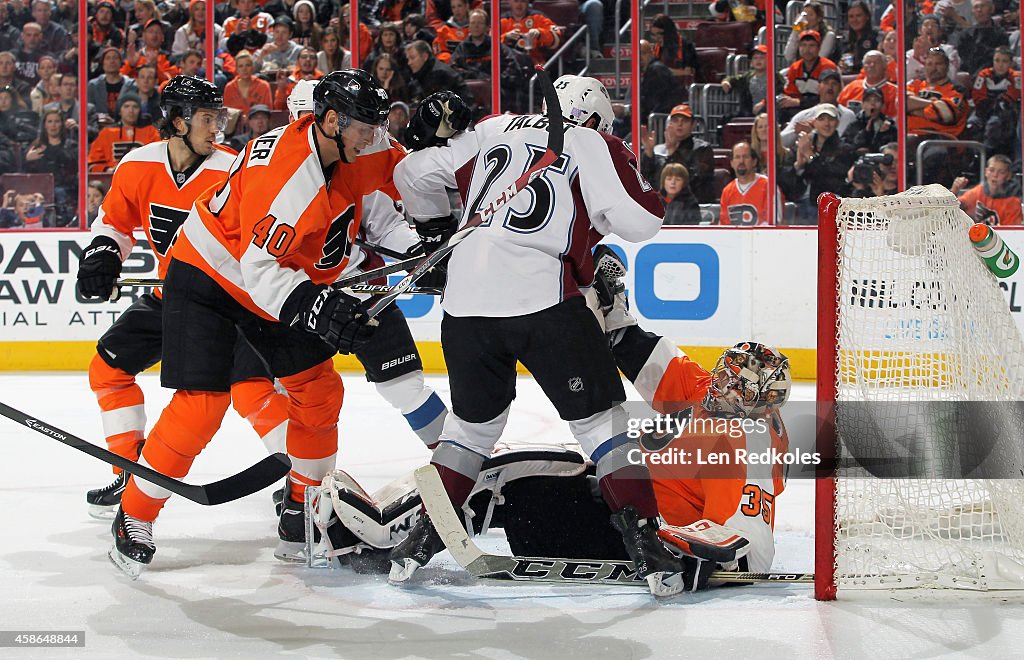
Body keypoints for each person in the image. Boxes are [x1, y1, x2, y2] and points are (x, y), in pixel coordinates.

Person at [389, 76, 701, 597]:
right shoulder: (591, 141)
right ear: (594, 116)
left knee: (469, 430)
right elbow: (645, 219)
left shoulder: (492, 127)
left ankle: (424, 534)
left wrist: (439, 230)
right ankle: (647, 548)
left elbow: (410, 172)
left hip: (464, 304)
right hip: (545, 299)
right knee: (603, 426)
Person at [105, 70, 403, 576]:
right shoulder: (289, 178)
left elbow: (408, 170)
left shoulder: (356, 144)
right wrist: (320, 308)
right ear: (330, 120)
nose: (374, 136)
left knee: (319, 391)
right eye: (364, 126)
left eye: (376, 125)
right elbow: (259, 272)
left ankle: (304, 511)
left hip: (270, 275)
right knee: (201, 406)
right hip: (209, 277)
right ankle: (134, 513)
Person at [75, 76, 289, 531]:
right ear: (178, 121)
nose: (218, 127)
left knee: (250, 390)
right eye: (208, 118)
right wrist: (103, 252)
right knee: (108, 370)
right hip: (170, 295)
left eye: (220, 117)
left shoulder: (233, 168)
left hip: (228, 301)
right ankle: (130, 471)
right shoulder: (137, 166)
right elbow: (114, 224)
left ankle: (306, 482)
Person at [787, 103, 854, 222]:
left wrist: (810, 156)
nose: (826, 124)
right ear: (814, 122)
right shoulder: (803, 143)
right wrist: (798, 165)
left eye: (831, 119)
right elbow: (787, 179)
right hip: (799, 203)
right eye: (822, 119)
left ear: (837, 123)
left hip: (826, 207)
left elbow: (831, 177)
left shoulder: (844, 148)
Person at [640, 103, 714, 203]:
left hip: (692, 206)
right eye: (675, 120)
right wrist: (648, 153)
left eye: (685, 120)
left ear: (693, 125)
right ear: (669, 124)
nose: (680, 124)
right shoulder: (658, 150)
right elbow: (649, 181)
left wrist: (672, 152)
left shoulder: (703, 149)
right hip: (663, 205)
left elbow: (693, 181)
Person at [22, 107, 77, 226]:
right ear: (45, 125)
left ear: (62, 124)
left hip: (65, 189)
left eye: (57, 121)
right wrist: (27, 160)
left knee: (60, 194)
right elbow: (26, 173)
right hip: (40, 190)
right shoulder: (37, 147)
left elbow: (74, 168)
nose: (53, 125)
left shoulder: (70, 145)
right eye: (50, 121)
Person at [781, 69, 855, 148]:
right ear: (818, 87)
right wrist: (796, 131)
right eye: (826, 83)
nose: (830, 87)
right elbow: (780, 141)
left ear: (840, 89)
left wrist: (812, 132)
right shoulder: (804, 115)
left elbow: (843, 143)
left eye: (834, 84)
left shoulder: (848, 115)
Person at [87, 95, 162, 172]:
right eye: (126, 106)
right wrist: (107, 170)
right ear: (119, 111)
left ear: (140, 111)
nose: (131, 110)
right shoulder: (106, 133)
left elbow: (159, 158)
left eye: (135, 107)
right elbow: (93, 163)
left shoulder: (150, 132)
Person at [907, 47, 968, 138]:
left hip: (940, 138)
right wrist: (934, 104)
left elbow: (946, 114)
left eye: (938, 64)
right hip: (908, 135)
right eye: (930, 64)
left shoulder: (957, 89)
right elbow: (902, 103)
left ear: (947, 66)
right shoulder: (915, 84)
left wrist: (913, 109)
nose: (933, 68)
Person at [719, 141, 780, 226]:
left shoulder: (769, 186)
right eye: (737, 157)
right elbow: (724, 226)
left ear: (754, 162)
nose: (741, 161)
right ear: (732, 163)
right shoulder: (727, 191)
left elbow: (773, 224)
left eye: (745, 157)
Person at [951, 154, 1022, 225]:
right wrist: (954, 191)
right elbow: (951, 210)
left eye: (1001, 172)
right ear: (986, 172)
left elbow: (1012, 232)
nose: (995, 175)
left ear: (1008, 176)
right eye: (991, 170)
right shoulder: (976, 192)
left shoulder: (1013, 202)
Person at [782, 30, 839, 114]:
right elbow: (790, 93)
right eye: (803, 45)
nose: (807, 50)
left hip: (823, 108)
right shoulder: (795, 67)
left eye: (811, 45)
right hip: (798, 108)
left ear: (818, 48)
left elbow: (829, 96)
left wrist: (799, 102)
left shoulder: (828, 66)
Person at [720, 44, 782, 118]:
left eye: (762, 58)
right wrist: (726, 82)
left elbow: (781, 94)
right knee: (725, 119)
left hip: (771, 112)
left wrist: (764, 103)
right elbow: (732, 79)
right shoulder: (748, 76)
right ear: (751, 62)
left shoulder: (776, 77)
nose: (758, 60)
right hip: (748, 113)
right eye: (755, 58)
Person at [837, 50, 898, 117]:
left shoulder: (895, 92)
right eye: (868, 62)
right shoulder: (851, 87)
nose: (872, 65)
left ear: (885, 66)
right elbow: (839, 111)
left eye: (876, 62)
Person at [841, 86, 897, 155]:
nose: (872, 104)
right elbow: (845, 147)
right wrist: (865, 132)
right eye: (868, 100)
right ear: (863, 105)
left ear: (883, 106)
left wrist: (881, 134)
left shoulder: (890, 128)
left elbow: (893, 150)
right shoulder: (854, 125)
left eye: (877, 100)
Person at [223, 50, 273, 116]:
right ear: (237, 69)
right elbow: (227, 114)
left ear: (252, 67)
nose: (244, 69)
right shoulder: (229, 87)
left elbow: (268, 111)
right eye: (241, 66)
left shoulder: (263, 86)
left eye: (248, 65)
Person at [837, 1, 879, 74]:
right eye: (851, 16)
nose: (854, 20)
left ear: (867, 17)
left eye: (858, 16)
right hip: (846, 78)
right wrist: (840, 64)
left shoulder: (876, 38)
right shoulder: (844, 40)